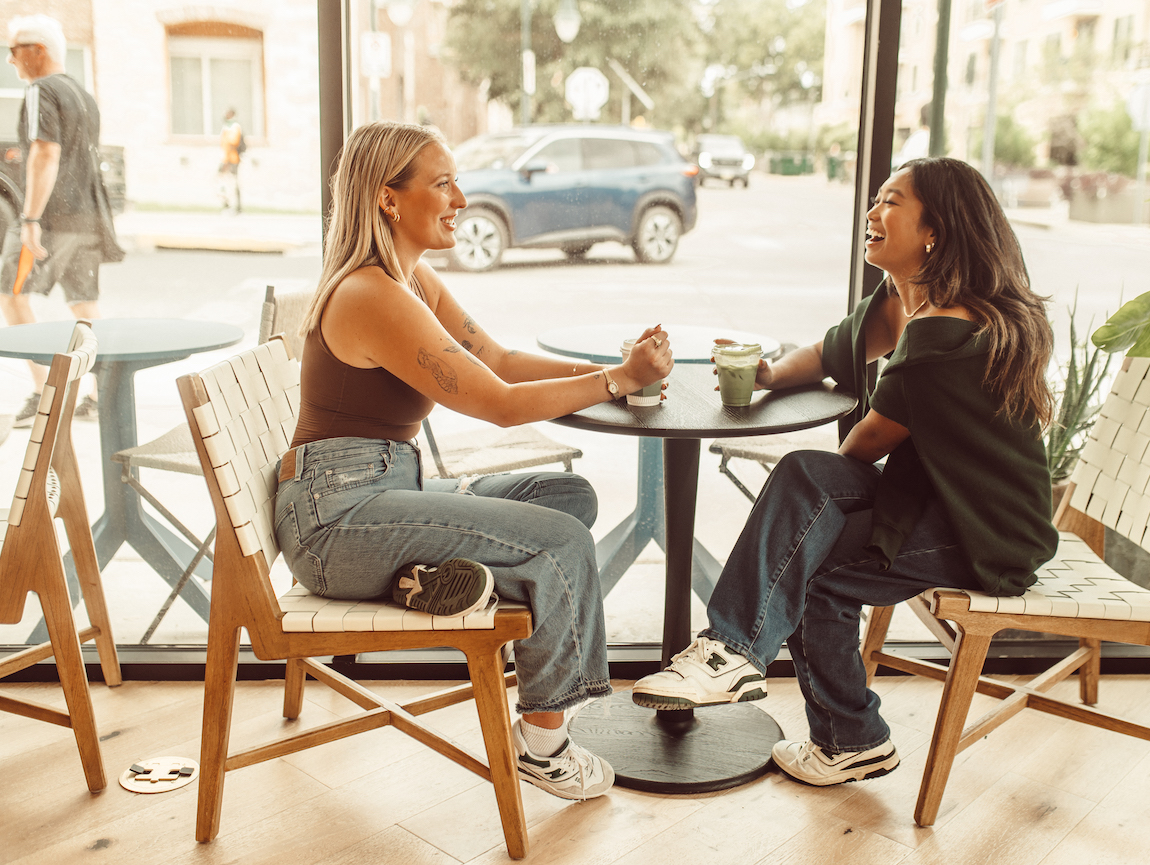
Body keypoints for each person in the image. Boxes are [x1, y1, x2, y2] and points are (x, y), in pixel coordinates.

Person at [274, 120, 673, 801]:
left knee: (565, 498)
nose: (461, 196)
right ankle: (544, 746)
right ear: (388, 199)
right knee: (562, 543)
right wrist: (617, 383)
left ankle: (431, 578)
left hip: (383, 491)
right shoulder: (371, 294)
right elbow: (500, 402)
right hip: (337, 522)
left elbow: (500, 360)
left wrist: (617, 368)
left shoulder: (410, 278)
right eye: (442, 182)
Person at [632, 157, 1058, 786]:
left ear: (934, 229)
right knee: (805, 528)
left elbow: (867, 443)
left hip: (984, 532)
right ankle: (840, 733)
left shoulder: (946, 332)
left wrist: (808, 519)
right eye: (875, 200)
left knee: (805, 549)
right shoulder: (910, 299)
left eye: (891, 202)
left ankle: (745, 661)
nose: (871, 213)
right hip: (934, 502)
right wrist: (771, 375)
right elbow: (839, 348)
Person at [1, 14, 123, 427]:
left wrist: (31, 218)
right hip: (87, 217)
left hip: (51, 219)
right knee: (85, 306)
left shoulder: (41, 90)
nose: (10, 61)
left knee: (11, 295)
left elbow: (45, 152)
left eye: (14, 52)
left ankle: (41, 393)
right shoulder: (81, 94)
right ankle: (101, 395)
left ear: (37, 52)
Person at [217, 107, 242, 213]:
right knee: (223, 183)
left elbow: (232, 143)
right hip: (225, 158)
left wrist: (227, 161)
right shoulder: (226, 127)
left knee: (231, 182)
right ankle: (226, 204)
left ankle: (235, 206)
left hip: (231, 160)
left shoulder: (234, 127)